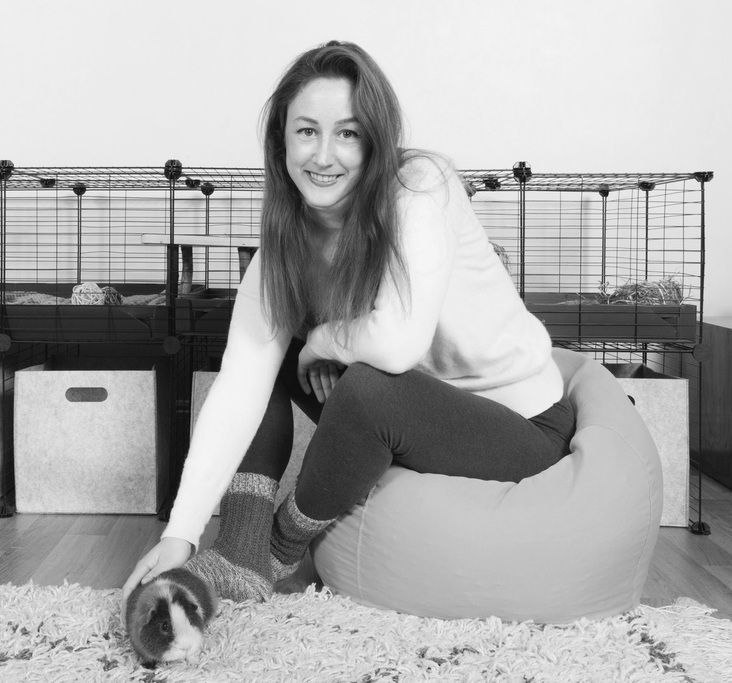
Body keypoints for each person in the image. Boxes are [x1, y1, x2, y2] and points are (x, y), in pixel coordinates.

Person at [123, 40, 575, 606]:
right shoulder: (283, 250)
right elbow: (239, 387)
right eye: (307, 131)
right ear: (281, 142)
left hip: (519, 426)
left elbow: (398, 346)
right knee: (269, 359)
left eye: (348, 133)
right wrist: (180, 534)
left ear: (375, 141)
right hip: (407, 416)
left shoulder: (419, 187)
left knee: (365, 383)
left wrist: (323, 339)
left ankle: (278, 547)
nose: (324, 156)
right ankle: (239, 543)